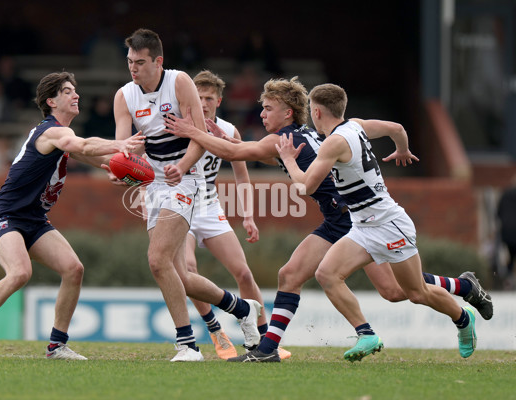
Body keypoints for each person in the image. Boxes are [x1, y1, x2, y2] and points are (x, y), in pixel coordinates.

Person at [164, 77, 492, 362]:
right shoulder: (311, 132)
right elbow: (241, 147)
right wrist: (216, 133)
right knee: (291, 274)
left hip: (355, 218)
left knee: (396, 290)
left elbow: (236, 153)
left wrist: (193, 131)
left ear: (287, 112)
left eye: (267, 108)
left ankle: (462, 289)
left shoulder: (282, 141)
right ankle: (269, 348)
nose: (261, 114)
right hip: (342, 219)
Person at [274, 83, 478, 361]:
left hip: (387, 222)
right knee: (327, 274)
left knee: (415, 291)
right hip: (362, 225)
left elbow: (308, 186)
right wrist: (402, 150)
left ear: (318, 112)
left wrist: (289, 160)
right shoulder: (355, 125)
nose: (311, 116)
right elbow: (396, 128)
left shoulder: (334, 142)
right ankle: (366, 333)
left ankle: (463, 319)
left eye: (312, 111)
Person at [0, 71, 145, 361]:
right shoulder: (51, 132)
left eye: (75, 90)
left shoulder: (63, 138)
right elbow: (82, 145)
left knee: (73, 269)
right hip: (6, 216)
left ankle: (56, 346)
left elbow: (97, 157)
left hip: (34, 221)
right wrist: (121, 144)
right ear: (51, 101)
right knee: (20, 273)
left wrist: (130, 173)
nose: (75, 94)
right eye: (68, 91)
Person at [108, 29, 261, 362]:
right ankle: (243, 308)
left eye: (140, 62)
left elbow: (200, 135)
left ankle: (187, 346)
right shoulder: (124, 96)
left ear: (158, 61)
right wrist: (124, 169)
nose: (133, 68)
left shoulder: (179, 83)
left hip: (186, 180)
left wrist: (184, 165)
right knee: (179, 276)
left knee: (156, 259)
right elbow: (124, 148)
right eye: (130, 62)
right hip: (153, 186)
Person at [184, 70, 276, 360]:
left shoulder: (228, 130)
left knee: (243, 272)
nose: (203, 102)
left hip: (209, 206)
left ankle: (265, 341)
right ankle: (215, 330)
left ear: (219, 100)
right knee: (187, 269)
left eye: (208, 97)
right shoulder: (177, 125)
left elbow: (241, 177)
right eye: (197, 97)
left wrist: (248, 216)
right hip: (179, 204)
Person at [497, 175, 516, 288]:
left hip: (507, 231)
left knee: (511, 255)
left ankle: (508, 278)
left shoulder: (505, 194)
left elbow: (498, 212)